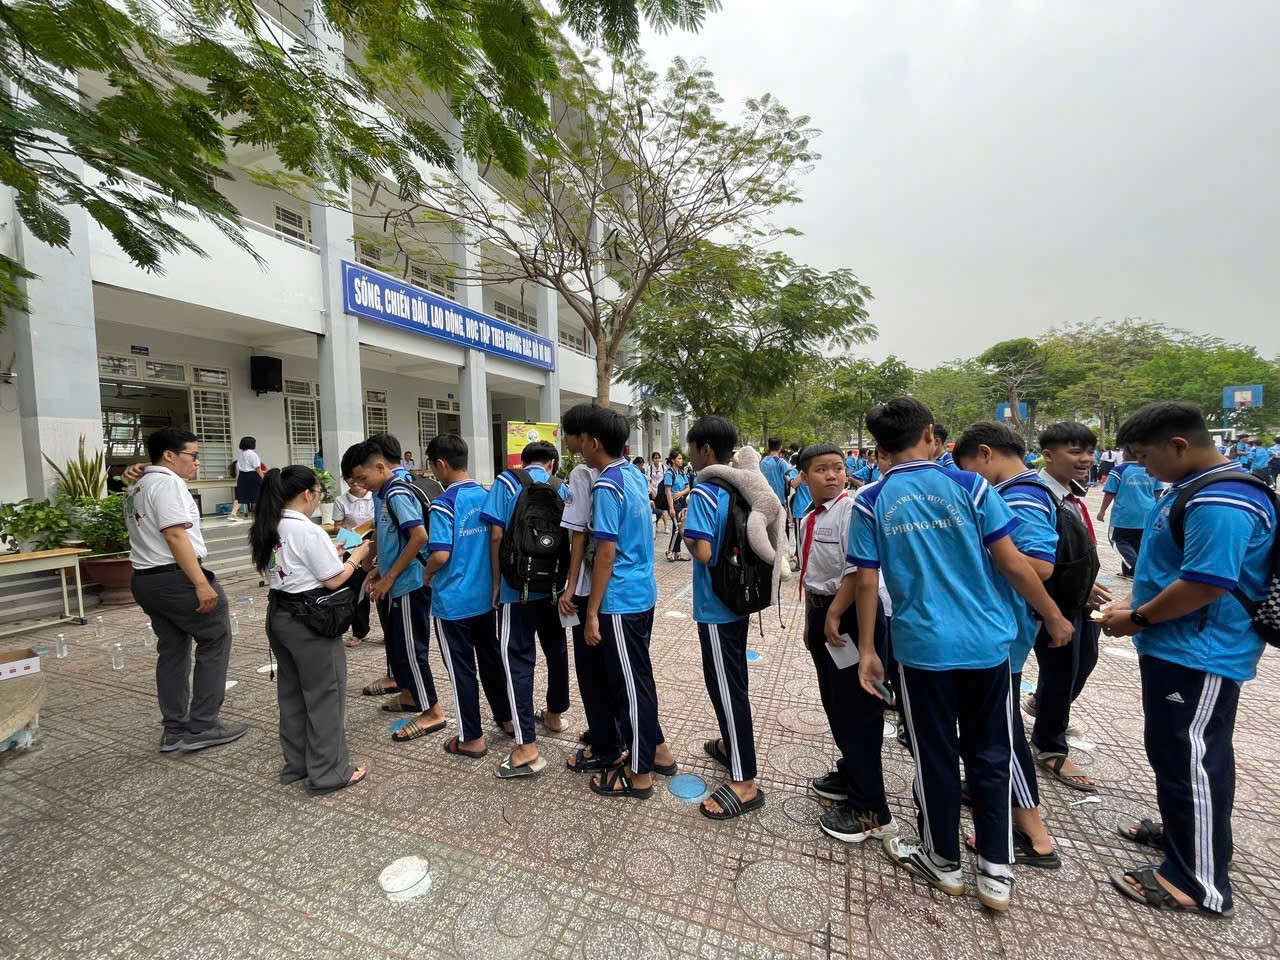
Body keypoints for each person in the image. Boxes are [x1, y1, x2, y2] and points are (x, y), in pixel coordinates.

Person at [847, 397, 1073, 912]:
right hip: (988, 645)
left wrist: (868, 650)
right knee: (992, 753)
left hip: (921, 650)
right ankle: (996, 871)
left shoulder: (870, 500)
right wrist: (1053, 615)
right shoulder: (971, 487)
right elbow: (1013, 563)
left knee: (935, 755)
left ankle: (943, 860)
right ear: (931, 434)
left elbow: (866, 581)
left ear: (880, 448)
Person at [1101, 401, 1276, 917]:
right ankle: (1188, 836)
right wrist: (1132, 603)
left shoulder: (1223, 499)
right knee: (1177, 752)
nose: (1141, 466)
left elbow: (1205, 582)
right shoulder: (1192, 487)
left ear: (1178, 445)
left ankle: (1196, 879)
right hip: (1177, 645)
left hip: (1200, 652)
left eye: (1144, 456)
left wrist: (1138, 618)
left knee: (1191, 756)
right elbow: (1172, 568)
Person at [953, 422, 1064, 869]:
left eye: (969, 469)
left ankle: (1031, 831)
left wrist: (978, 558)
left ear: (985, 454)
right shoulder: (1025, 490)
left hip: (1006, 630)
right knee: (996, 726)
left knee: (1001, 732)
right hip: (1005, 627)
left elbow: (1039, 564)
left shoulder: (1020, 497)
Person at [788, 443, 895, 845]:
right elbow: (812, 574)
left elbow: (858, 572)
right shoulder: (809, 516)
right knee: (836, 703)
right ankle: (852, 772)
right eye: (821, 469)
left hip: (850, 617)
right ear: (803, 477)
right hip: (825, 615)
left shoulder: (851, 511)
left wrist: (833, 615)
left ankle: (871, 808)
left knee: (859, 710)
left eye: (837, 467)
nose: (832, 475)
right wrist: (811, 622)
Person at [251, 465, 371, 793]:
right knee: (325, 694)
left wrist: (334, 553)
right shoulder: (307, 530)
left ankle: (298, 763)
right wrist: (358, 555)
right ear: (307, 494)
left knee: (291, 693)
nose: (319, 499)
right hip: (310, 620)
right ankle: (329, 772)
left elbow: (295, 566)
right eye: (318, 493)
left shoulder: (270, 524)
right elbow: (333, 579)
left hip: (280, 615)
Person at [125, 428, 246, 753]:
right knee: (214, 638)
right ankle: (203, 725)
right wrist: (201, 583)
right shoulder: (166, 483)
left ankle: (175, 729)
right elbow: (175, 535)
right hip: (175, 578)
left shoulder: (139, 483)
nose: (197, 462)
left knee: (173, 651)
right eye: (193, 455)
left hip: (146, 579)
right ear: (169, 455)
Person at [583, 407, 678, 798]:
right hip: (642, 592)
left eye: (582, 440)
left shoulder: (607, 485)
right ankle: (659, 751)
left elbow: (605, 553)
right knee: (638, 678)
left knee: (630, 687)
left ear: (593, 442)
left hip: (620, 600)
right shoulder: (635, 475)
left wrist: (592, 611)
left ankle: (639, 774)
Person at [683, 416, 764, 820]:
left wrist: (687, 530)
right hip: (739, 598)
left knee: (727, 687)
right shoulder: (742, 484)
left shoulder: (705, 489)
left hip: (716, 605)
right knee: (733, 679)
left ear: (706, 449)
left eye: (692, 448)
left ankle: (744, 782)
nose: (690, 455)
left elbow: (703, 552)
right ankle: (733, 746)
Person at [1027, 421, 1109, 792]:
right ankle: (1049, 744)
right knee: (1062, 669)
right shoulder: (1036, 496)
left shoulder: (1070, 493)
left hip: (1079, 596)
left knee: (1083, 661)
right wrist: (1068, 595)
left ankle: (1043, 706)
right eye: (1075, 451)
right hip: (1055, 600)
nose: (1085, 459)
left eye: (1089, 451)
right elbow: (1035, 559)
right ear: (1048, 455)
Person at [481, 440, 569, 777]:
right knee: (556, 651)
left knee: (517, 661)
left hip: (515, 590)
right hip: (553, 590)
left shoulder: (506, 482)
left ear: (524, 460)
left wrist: (495, 583)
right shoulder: (561, 487)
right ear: (551, 463)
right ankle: (555, 715)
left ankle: (526, 746)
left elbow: (495, 536)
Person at [350, 434, 447, 743]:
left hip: (410, 583)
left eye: (362, 477)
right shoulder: (387, 492)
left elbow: (418, 537)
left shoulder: (396, 492)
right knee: (400, 644)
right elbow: (395, 538)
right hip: (400, 580)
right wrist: (381, 569)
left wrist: (390, 577)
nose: (361, 484)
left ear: (380, 467)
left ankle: (432, 711)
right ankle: (409, 694)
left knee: (412, 648)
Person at [422, 434, 508, 761]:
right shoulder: (486, 496)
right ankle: (507, 719)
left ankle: (471, 738)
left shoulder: (443, 504)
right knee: (491, 661)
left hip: (453, 603)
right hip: (486, 598)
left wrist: (426, 573)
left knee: (462, 671)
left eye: (433, 467)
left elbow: (440, 554)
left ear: (441, 464)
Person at [559, 403, 627, 773]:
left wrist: (571, 587)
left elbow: (578, 538)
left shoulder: (584, 474)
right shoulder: (619, 472)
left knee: (590, 670)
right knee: (608, 667)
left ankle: (606, 743)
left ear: (586, 438)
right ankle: (611, 730)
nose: (569, 441)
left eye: (570, 434)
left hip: (589, 586)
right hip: (615, 588)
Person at [1098, 448, 1161, 578]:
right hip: (1147, 514)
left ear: (1126, 454)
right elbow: (1158, 492)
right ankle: (1127, 572)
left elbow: (1110, 492)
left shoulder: (1118, 471)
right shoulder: (1152, 470)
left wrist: (1102, 511)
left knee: (1117, 540)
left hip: (1124, 516)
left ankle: (1136, 567)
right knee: (1137, 543)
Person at [331, 471, 377, 648]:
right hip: (352, 548)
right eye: (349, 478)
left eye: (357, 477)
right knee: (356, 590)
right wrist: (353, 533)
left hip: (376, 545)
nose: (354, 482)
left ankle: (390, 632)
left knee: (381, 589)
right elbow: (337, 526)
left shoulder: (375, 497)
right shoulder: (341, 501)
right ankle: (360, 631)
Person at [227, 436, 265, 521]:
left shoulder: (241, 454)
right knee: (258, 494)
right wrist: (263, 477)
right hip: (253, 476)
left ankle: (233, 513)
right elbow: (257, 467)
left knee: (240, 495)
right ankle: (259, 514)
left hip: (243, 476)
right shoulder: (252, 454)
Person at [663, 452, 691, 561]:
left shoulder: (682, 472)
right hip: (674, 503)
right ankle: (670, 551)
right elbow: (668, 491)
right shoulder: (669, 473)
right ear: (673, 460)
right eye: (679, 458)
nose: (681, 460)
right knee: (676, 528)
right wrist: (671, 508)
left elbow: (688, 488)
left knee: (681, 527)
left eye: (681, 458)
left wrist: (681, 493)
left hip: (682, 502)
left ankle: (677, 552)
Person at [760, 437, 789, 503]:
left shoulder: (762, 462)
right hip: (779, 498)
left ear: (768, 447)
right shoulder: (781, 462)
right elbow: (789, 477)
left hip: (766, 497)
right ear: (780, 448)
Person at [647, 452, 666, 532]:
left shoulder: (663, 467)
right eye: (655, 458)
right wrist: (651, 491)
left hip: (661, 491)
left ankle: (666, 526)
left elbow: (666, 479)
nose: (657, 459)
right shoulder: (650, 468)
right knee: (655, 509)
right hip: (653, 490)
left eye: (658, 458)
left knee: (663, 508)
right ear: (652, 459)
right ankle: (656, 525)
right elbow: (648, 481)